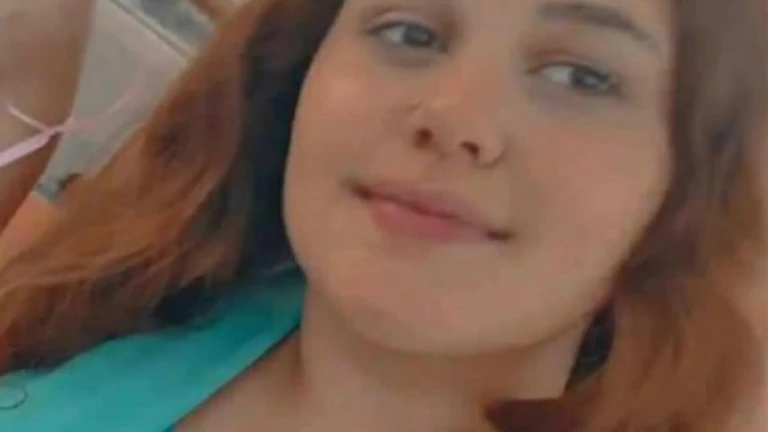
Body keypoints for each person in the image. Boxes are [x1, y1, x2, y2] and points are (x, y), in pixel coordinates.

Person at [0, 0, 766, 431]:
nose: (454, 115)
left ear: (696, 185)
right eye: (410, 32)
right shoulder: (154, 299)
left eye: (582, 77)